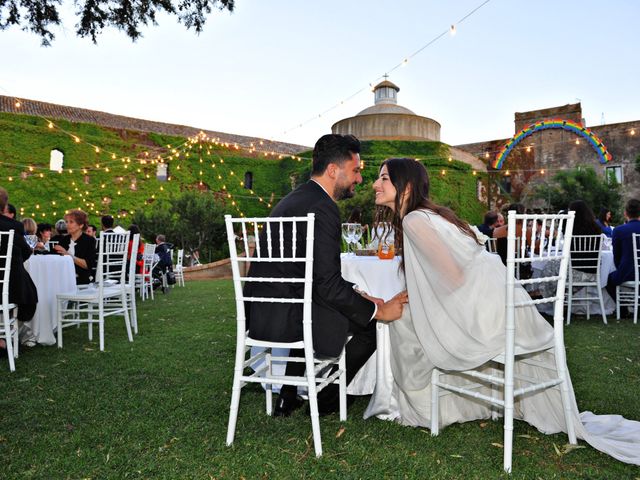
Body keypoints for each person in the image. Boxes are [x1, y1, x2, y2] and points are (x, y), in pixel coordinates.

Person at [367, 158, 640, 465]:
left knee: (399, 321)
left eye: (384, 179)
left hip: (486, 314)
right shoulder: (429, 215)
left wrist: (414, 302)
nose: (375, 184)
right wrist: (413, 296)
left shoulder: (415, 220)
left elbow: (453, 277)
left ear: (407, 186)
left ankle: (425, 408)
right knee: (405, 312)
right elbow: (466, 254)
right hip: (506, 304)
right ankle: (453, 404)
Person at [245, 134, 407, 417]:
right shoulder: (323, 208)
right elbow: (327, 287)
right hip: (293, 318)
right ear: (334, 170)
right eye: (355, 170)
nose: (359, 179)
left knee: (348, 305)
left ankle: (288, 394)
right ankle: (325, 400)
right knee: (370, 324)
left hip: (265, 313)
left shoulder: (292, 201)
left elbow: (316, 278)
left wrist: (358, 295)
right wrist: (376, 310)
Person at [0, 187, 38, 355]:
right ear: (5, 205)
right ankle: (5, 337)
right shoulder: (13, 226)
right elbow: (26, 252)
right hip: (8, 286)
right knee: (29, 294)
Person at [606, 199, 640, 301]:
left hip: (627, 272)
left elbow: (616, 256)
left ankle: (624, 309)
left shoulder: (619, 230)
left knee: (607, 280)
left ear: (625, 213)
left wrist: (621, 269)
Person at [54, 209, 97, 285]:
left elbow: (88, 265)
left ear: (81, 225)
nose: (67, 225)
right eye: (66, 222)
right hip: (63, 279)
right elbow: (54, 257)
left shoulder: (89, 241)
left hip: (81, 280)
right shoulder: (64, 240)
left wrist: (68, 255)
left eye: (71, 222)